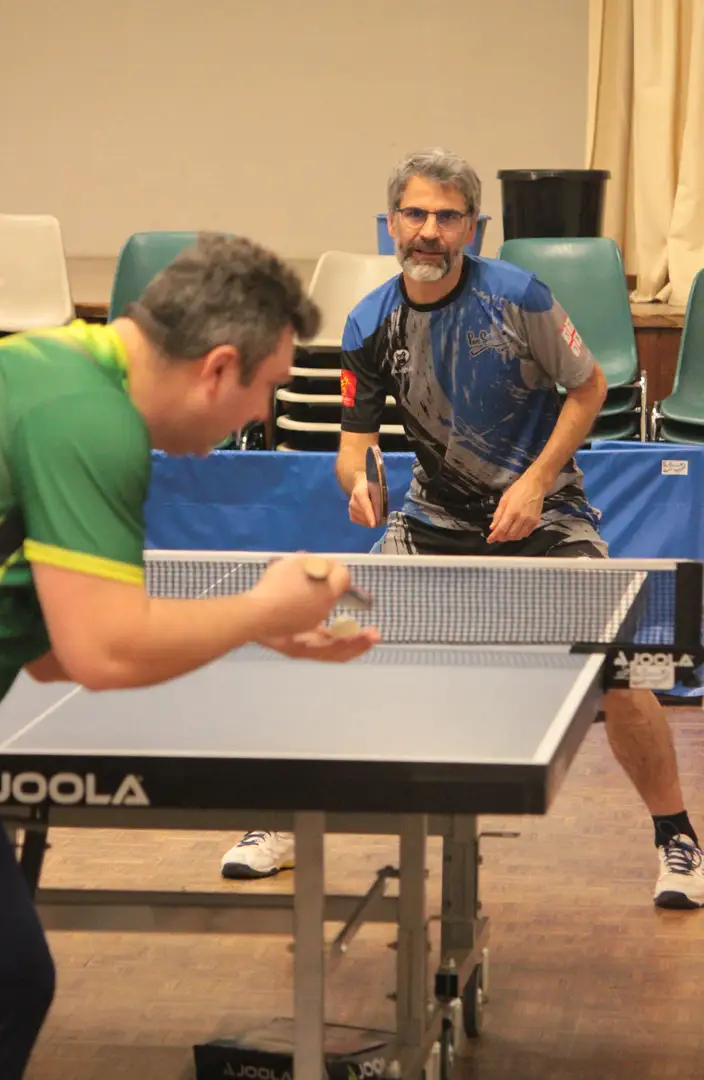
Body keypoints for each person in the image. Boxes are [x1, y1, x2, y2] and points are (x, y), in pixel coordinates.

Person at [221, 149, 704, 915]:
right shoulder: (369, 321)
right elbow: (354, 447)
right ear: (391, 224)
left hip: (546, 517)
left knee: (622, 670)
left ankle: (678, 837)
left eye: (448, 217)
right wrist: (358, 484)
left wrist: (536, 481)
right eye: (416, 214)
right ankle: (281, 820)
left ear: (473, 227)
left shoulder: (519, 298)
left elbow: (589, 387)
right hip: (430, 522)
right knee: (332, 640)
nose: (430, 231)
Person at [0, 232, 379, 1080]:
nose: (264, 414)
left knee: (7, 978)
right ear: (218, 367)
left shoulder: (44, 367)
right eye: (268, 387)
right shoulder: (90, 422)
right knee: (3, 981)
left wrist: (255, 627)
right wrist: (262, 605)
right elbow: (102, 652)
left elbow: (54, 654)